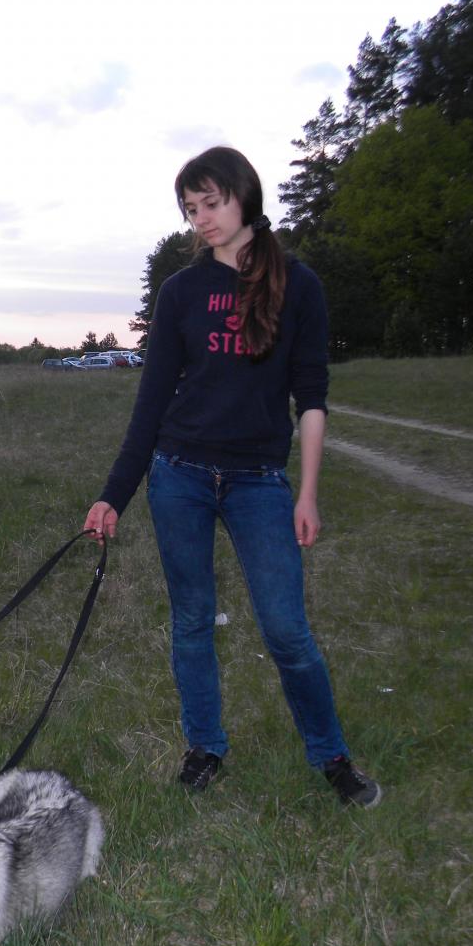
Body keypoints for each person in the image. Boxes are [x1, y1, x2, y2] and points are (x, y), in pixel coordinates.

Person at [84, 146, 380, 808]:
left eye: (210, 203)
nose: (201, 218)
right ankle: (205, 747)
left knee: (286, 630)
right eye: (191, 208)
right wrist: (113, 497)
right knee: (192, 619)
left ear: (244, 195)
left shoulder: (299, 285)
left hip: (259, 481)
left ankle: (332, 757)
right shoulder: (181, 292)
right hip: (179, 476)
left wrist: (307, 494)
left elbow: (311, 398)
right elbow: (151, 404)